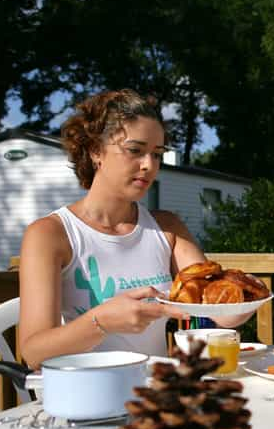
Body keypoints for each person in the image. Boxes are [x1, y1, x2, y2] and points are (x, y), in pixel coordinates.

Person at [18, 89, 251, 368]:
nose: (149, 165)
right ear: (95, 151)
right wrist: (102, 321)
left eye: (157, 154)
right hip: (86, 399)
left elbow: (219, 312)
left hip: (157, 397)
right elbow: (33, 353)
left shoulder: (167, 228)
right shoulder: (50, 235)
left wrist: (244, 299)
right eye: (135, 150)